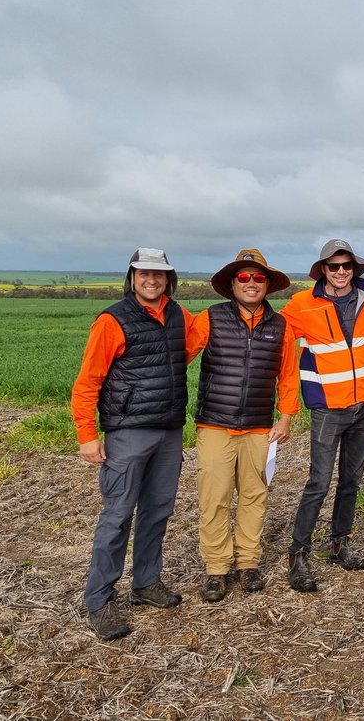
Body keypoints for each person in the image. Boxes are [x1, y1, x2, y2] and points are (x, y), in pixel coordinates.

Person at [71, 247, 191, 641]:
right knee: (118, 515)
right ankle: (100, 600)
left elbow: (189, 348)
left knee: (158, 510)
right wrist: (88, 436)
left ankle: (146, 583)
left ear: (168, 279)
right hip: (127, 432)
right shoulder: (112, 320)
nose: (151, 280)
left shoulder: (179, 316)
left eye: (159, 275)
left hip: (169, 430)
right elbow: (87, 382)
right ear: (133, 277)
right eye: (144, 274)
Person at [191, 248, 299, 603]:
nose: (251, 283)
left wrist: (285, 418)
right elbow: (177, 354)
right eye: (244, 277)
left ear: (267, 284)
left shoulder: (281, 325)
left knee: (255, 497)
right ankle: (217, 569)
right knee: (215, 499)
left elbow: (288, 376)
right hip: (215, 425)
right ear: (233, 283)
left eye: (258, 278)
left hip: (259, 428)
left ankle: (248, 563)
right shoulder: (210, 318)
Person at [281, 239, 364, 592]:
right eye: (333, 266)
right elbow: (275, 336)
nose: (341, 272)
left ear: (355, 268)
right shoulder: (301, 305)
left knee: (351, 480)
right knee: (318, 482)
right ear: (322, 269)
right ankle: (298, 553)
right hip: (326, 407)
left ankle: (340, 543)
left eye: (347, 266)